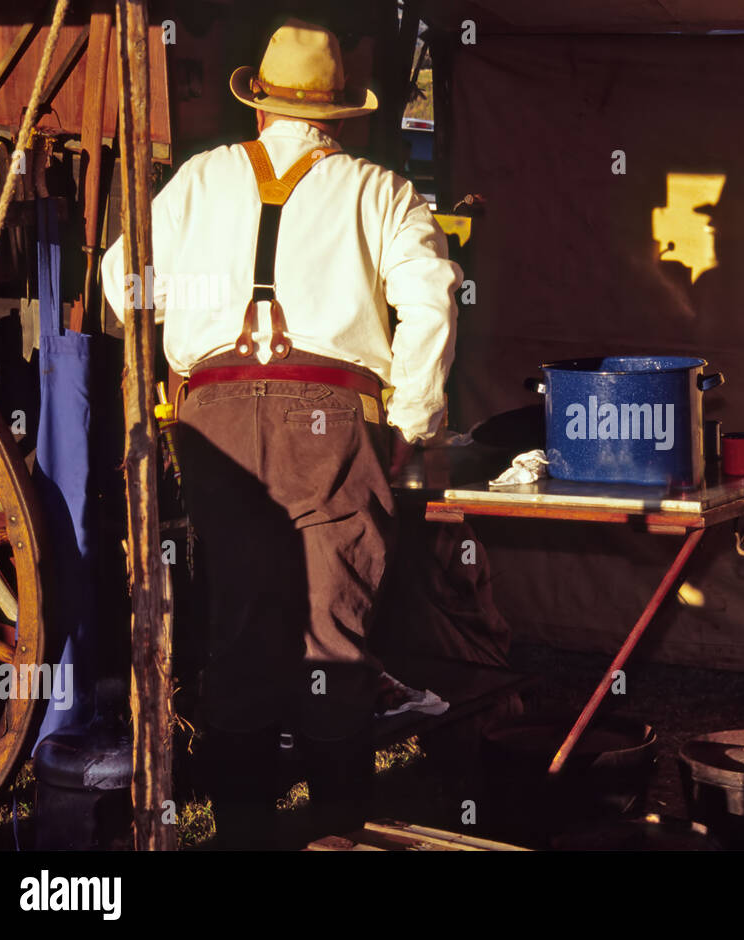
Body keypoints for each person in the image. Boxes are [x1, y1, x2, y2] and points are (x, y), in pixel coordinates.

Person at [101, 18, 461, 847]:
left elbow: (124, 289)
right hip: (330, 419)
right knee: (333, 631)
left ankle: (247, 838)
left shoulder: (200, 180)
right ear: (337, 115)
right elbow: (432, 298)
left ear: (259, 107)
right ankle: (334, 836)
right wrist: (410, 416)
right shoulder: (381, 190)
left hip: (213, 416)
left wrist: (191, 334)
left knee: (241, 625)